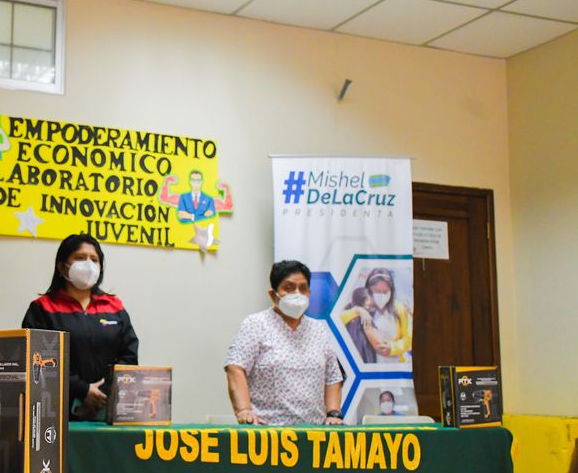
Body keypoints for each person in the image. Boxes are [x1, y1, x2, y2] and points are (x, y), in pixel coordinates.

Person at [21, 234, 138, 420]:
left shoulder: (114, 307)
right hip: (56, 412)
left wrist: (103, 390)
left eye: (94, 259)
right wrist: (82, 390)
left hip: (106, 409)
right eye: (80, 258)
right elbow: (37, 359)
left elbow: (129, 355)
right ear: (62, 266)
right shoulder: (42, 308)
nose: (88, 264)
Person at [224, 260, 344, 425]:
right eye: (289, 287)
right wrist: (244, 410)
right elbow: (236, 367)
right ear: (273, 295)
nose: (297, 293)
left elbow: (332, 377)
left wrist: (333, 413)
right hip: (267, 431)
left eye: (303, 288)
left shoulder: (318, 330)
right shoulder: (255, 324)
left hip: (314, 431)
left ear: (309, 293)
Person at [341, 268, 411, 364]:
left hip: (395, 365)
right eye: (377, 291)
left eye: (385, 292)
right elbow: (339, 320)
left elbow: (408, 338)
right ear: (369, 290)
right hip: (369, 365)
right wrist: (357, 310)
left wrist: (393, 347)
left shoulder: (398, 308)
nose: (381, 296)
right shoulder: (362, 305)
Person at [159, 170, 233, 223]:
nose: (195, 183)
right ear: (190, 181)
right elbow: (164, 198)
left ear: (201, 182)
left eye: (198, 180)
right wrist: (167, 182)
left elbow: (227, 207)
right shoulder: (183, 197)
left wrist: (226, 189)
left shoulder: (209, 200)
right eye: (193, 180)